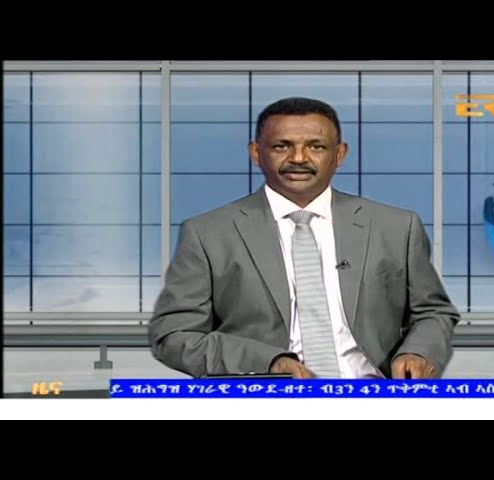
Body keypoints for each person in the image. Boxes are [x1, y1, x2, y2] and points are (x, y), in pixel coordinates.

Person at [149, 96, 460, 379]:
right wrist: (268, 362)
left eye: (316, 146)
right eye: (281, 146)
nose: (298, 158)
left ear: (340, 154)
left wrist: (417, 352)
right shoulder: (207, 233)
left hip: (372, 394)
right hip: (263, 398)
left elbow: (432, 312)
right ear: (256, 153)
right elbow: (174, 335)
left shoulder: (396, 226)